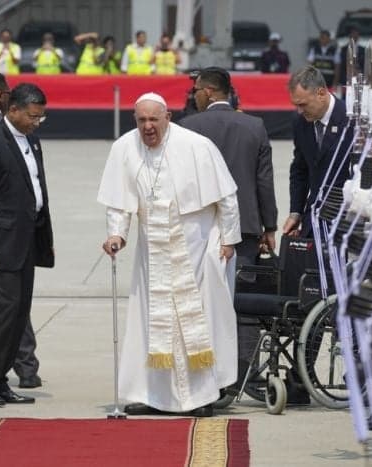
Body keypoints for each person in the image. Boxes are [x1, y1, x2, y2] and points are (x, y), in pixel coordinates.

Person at [97, 92, 241, 417]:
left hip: (195, 245)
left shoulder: (197, 146)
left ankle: (199, 397)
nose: (148, 127)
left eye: (154, 120)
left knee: (194, 321)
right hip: (153, 250)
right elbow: (119, 203)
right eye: (141, 120)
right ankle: (154, 396)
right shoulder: (124, 148)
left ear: (168, 118)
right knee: (153, 320)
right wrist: (117, 234)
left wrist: (229, 240)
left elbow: (227, 198)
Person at [179, 67, 277, 390]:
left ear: (208, 92)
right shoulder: (254, 126)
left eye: (196, 90)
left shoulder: (187, 128)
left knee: (201, 299)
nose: (193, 96)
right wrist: (270, 226)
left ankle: (203, 369)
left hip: (200, 227)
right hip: (245, 228)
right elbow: (264, 180)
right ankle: (242, 373)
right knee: (243, 301)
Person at [0, 83, 54, 407]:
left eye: (40, 118)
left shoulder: (31, 139)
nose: (36, 122)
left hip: (26, 241)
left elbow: (36, 191)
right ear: (13, 109)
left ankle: (1, 378)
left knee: (18, 313)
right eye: (33, 116)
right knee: (2, 311)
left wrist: (45, 239)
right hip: (0, 247)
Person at [283, 66, 353, 237]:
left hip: (345, 222)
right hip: (312, 220)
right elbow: (300, 169)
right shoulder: (300, 122)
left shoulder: (350, 120)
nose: (299, 110)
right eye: (296, 105)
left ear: (321, 93)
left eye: (303, 104)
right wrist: (296, 212)